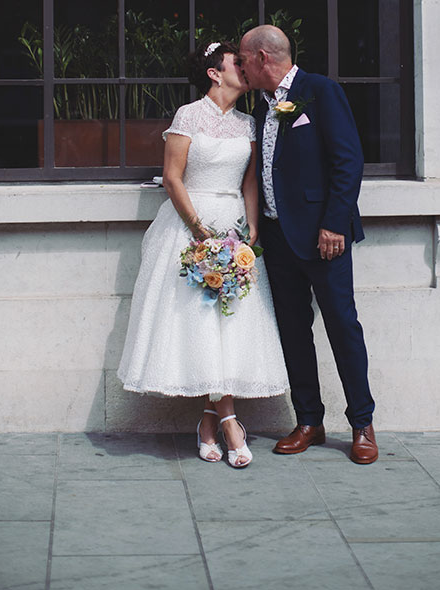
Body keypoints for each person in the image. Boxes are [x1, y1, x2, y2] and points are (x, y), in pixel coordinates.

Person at [117, 41, 288, 467]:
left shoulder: (249, 121)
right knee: (198, 322)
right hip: (191, 226)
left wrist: (250, 228)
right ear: (215, 73)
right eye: (236, 63)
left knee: (228, 326)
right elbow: (173, 179)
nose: (244, 69)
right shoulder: (188, 115)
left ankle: (209, 422)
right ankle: (230, 421)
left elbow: (250, 182)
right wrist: (198, 231)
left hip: (232, 225)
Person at [238, 25, 377, 464]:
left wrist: (334, 223)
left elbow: (347, 160)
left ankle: (362, 424)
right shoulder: (261, 107)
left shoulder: (320, 91)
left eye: (243, 59)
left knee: (342, 327)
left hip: (323, 238)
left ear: (263, 58)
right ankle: (309, 421)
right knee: (294, 333)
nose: (239, 68)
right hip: (278, 240)